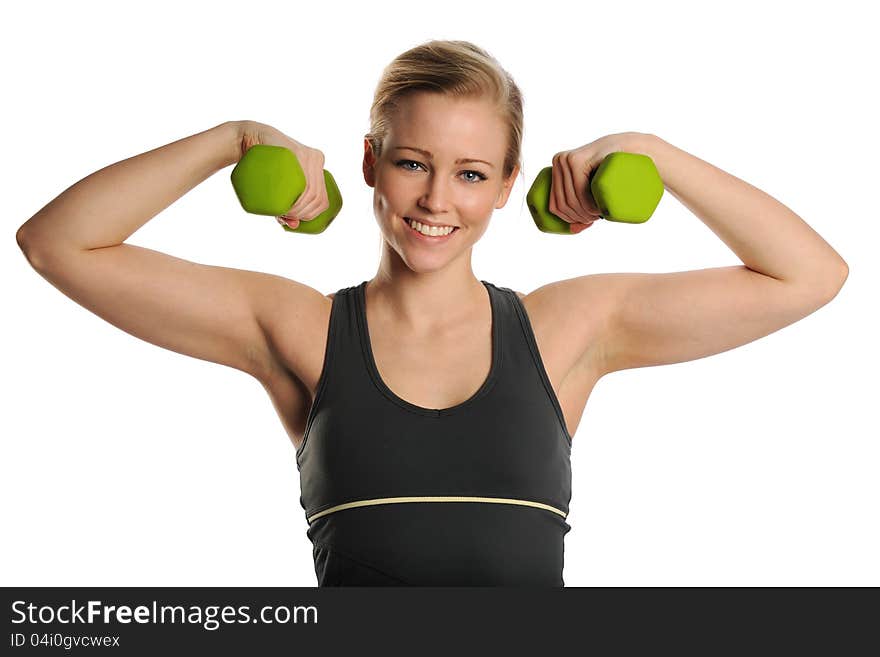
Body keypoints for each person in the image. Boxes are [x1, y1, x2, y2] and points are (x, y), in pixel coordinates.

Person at [15, 40, 848, 586]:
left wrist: (659, 156)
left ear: (509, 184)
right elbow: (58, 244)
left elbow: (809, 275)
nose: (437, 200)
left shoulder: (567, 330)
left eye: (473, 174)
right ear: (371, 164)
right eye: (413, 163)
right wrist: (229, 140)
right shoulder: (299, 328)